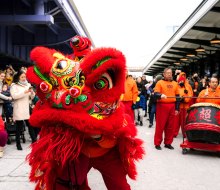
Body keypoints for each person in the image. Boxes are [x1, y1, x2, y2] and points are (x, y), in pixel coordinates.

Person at [153, 67, 180, 150]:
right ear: (164, 74)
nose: (169, 74)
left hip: (172, 106)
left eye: (170, 73)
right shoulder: (159, 83)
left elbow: (178, 96)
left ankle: (168, 143)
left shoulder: (175, 84)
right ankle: (157, 143)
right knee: (160, 126)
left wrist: (177, 108)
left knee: (170, 126)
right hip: (162, 106)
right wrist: (160, 95)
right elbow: (155, 93)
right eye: (167, 73)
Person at [10, 70, 37, 150]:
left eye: (24, 77)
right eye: (22, 77)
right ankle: (18, 144)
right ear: (18, 77)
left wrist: (32, 93)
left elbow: (31, 97)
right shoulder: (14, 85)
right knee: (19, 126)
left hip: (27, 107)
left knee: (30, 125)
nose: (23, 78)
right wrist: (24, 92)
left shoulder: (28, 84)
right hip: (19, 108)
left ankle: (34, 141)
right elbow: (14, 96)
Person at [173, 72, 193, 138]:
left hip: (185, 106)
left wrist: (184, 99)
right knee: (176, 121)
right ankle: (174, 133)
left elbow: (190, 95)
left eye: (184, 76)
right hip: (178, 106)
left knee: (184, 121)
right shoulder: (176, 86)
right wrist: (178, 99)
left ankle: (184, 133)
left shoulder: (188, 86)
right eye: (182, 76)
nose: (183, 78)